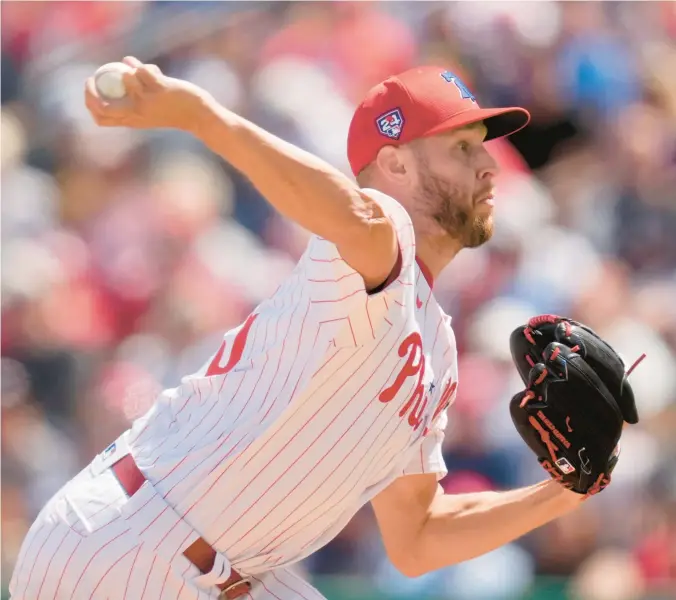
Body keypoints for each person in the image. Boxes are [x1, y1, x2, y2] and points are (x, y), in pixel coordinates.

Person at [9, 58, 585, 600]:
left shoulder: (436, 346)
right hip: (131, 542)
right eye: (462, 148)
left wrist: (564, 492)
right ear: (396, 164)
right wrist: (201, 117)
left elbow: (418, 537)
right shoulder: (379, 238)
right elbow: (354, 213)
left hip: (223, 569)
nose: (489, 164)